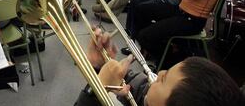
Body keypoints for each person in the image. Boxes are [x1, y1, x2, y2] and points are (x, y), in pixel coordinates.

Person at [74, 29, 245, 106]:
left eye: (164, 79)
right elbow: (139, 89)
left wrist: (95, 93)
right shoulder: (153, 96)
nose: (160, 72)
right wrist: (101, 66)